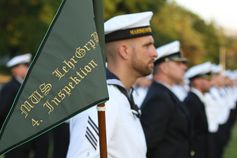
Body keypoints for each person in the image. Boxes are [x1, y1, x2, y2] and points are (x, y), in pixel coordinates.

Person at [66, 11, 157, 158]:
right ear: (124, 51)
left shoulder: (120, 96)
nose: (155, 53)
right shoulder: (103, 101)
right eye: (147, 45)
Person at [141, 40, 192, 158]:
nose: (184, 67)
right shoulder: (159, 98)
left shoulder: (164, 93)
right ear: (164, 68)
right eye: (178, 63)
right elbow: (148, 143)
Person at [0, 53, 49, 158]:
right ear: (15, 69)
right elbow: (2, 111)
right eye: (25, 65)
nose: (28, 67)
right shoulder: (11, 88)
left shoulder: (23, 86)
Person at [184, 62, 213, 158]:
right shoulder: (191, 101)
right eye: (207, 79)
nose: (211, 83)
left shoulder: (196, 99)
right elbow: (191, 134)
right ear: (196, 81)